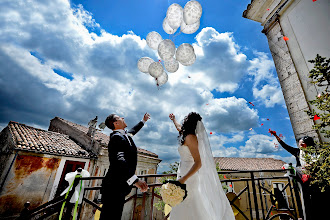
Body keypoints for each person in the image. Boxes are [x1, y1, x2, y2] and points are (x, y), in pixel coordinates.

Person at [169, 112, 235, 220]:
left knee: (188, 202)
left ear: (188, 122)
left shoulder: (191, 138)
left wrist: (183, 179)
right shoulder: (185, 134)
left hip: (188, 176)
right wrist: (173, 119)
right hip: (183, 172)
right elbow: (178, 127)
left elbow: (198, 162)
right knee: (183, 202)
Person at [100, 113, 150, 220]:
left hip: (119, 187)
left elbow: (133, 130)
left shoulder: (124, 135)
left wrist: (143, 121)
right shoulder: (116, 137)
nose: (123, 118)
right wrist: (135, 180)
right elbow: (119, 161)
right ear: (116, 123)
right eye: (120, 118)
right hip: (113, 188)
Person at [270, 131, 315, 220]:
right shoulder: (298, 152)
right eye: (300, 144)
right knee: (304, 199)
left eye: (302, 143)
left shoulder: (314, 152)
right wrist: (276, 136)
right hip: (302, 179)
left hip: (313, 178)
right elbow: (286, 147)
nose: (300, 145)